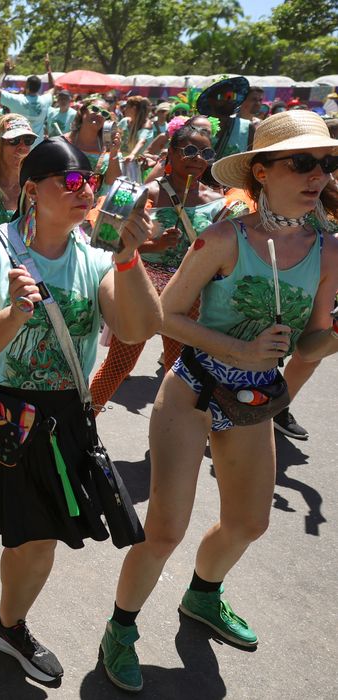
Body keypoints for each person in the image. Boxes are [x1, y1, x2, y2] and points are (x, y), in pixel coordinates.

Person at [0, 138, 161, 695]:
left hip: (57, 418)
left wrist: (128, 257)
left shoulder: (94, 258)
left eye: (89, 180)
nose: (84, 190)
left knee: (38, 540)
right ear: (31, 191)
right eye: (68, 182)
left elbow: (139, 326)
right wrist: (15, 315)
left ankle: (10, 627)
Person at [100, 110, 338, 693]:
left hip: (252, 402)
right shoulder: (225, 237)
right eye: (302, 163)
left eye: (326, 164)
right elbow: (165, 315)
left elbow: (311, 339)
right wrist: (240, 346)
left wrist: (333, 336)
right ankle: (120, 629)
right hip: (193, 390)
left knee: (248, 524)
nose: (318, 176)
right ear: (261, 171)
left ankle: (203, 596)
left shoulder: (328, 250)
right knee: (163, 532)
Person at [89, 119, 225, 411]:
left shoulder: (217, 201)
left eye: (206, 154)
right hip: (143, 288)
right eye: (190, 151)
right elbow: (108, 242)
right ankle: (81, 427)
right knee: (119, 366)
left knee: (178, 373)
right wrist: (154, 245)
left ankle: (171, 433)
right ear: (171, 153)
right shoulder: (142, 193)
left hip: (188, 295)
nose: (198, 159)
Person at [0, 56, 54, 137]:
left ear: (26, 86)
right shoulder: (45, 100)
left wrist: (5, 73)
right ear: (39, 88)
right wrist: (48, 69)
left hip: (18, 145)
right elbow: (52, 87)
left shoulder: (17, 100)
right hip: (38, 146)